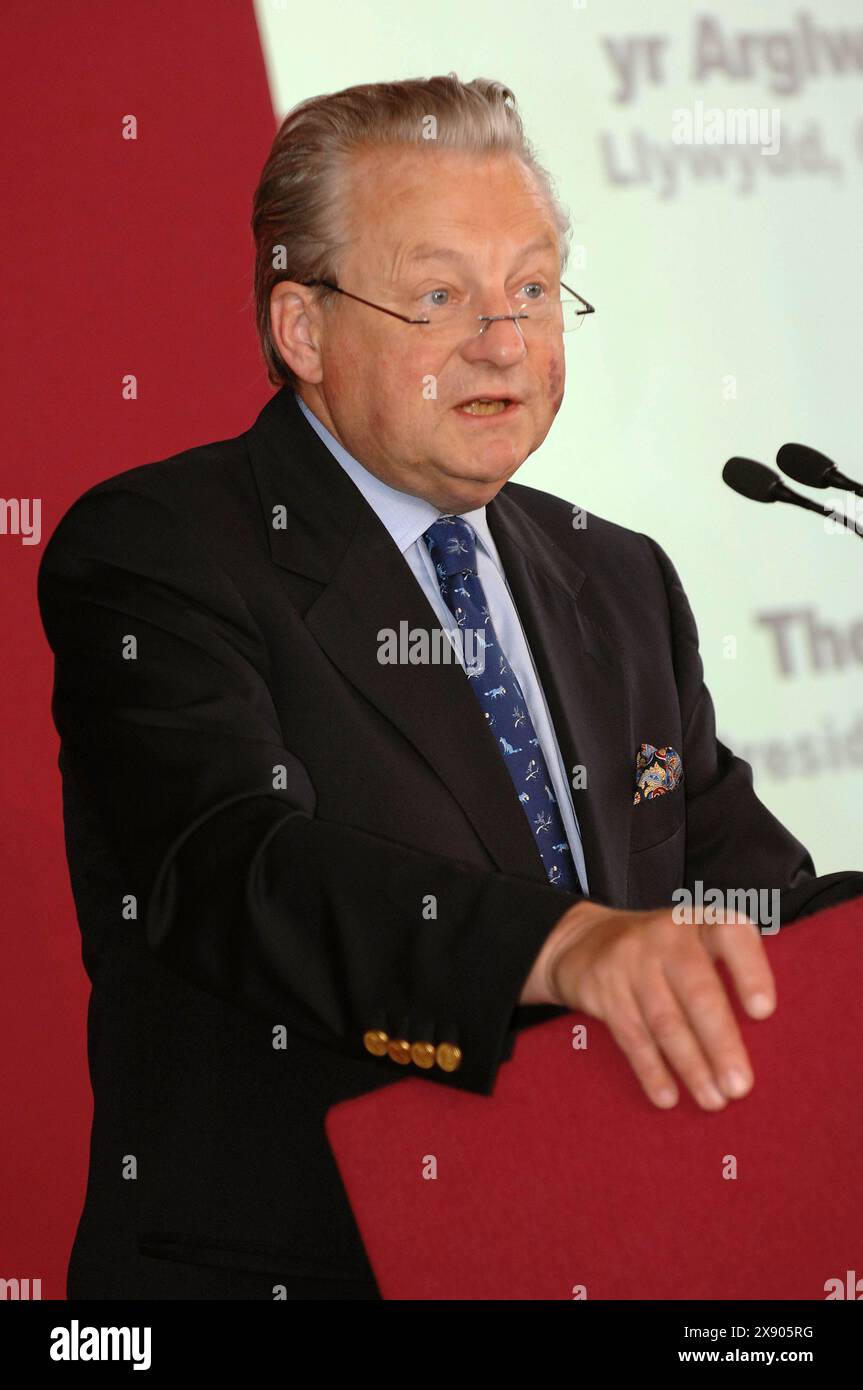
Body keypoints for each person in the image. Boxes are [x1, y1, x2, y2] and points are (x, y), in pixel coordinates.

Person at [37, 74, 863, 1300]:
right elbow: (235, 870)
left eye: (532, 290)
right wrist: (565, 945)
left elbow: (749, 899)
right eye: (440, 297)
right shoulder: (162, 546)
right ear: (302, 329)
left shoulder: (615, 574)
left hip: (606, 1254)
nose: (504, 342)